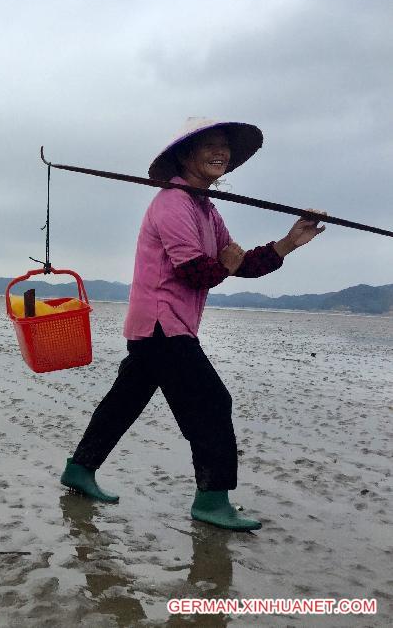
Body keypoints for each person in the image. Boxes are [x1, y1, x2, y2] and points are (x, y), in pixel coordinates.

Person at [60, 118, 325, 531]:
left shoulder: (205, 208)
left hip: (165, 325)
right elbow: (195, 273)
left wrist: (290, 241)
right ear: (186, 155)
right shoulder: (172, 204)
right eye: (210, 146)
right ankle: (212, 500)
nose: (221, 152)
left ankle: (80, 468)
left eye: (225, 147)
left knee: (126, 400)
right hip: (162, 324)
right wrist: (224, 263)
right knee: (212, 403)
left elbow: (242, 266)